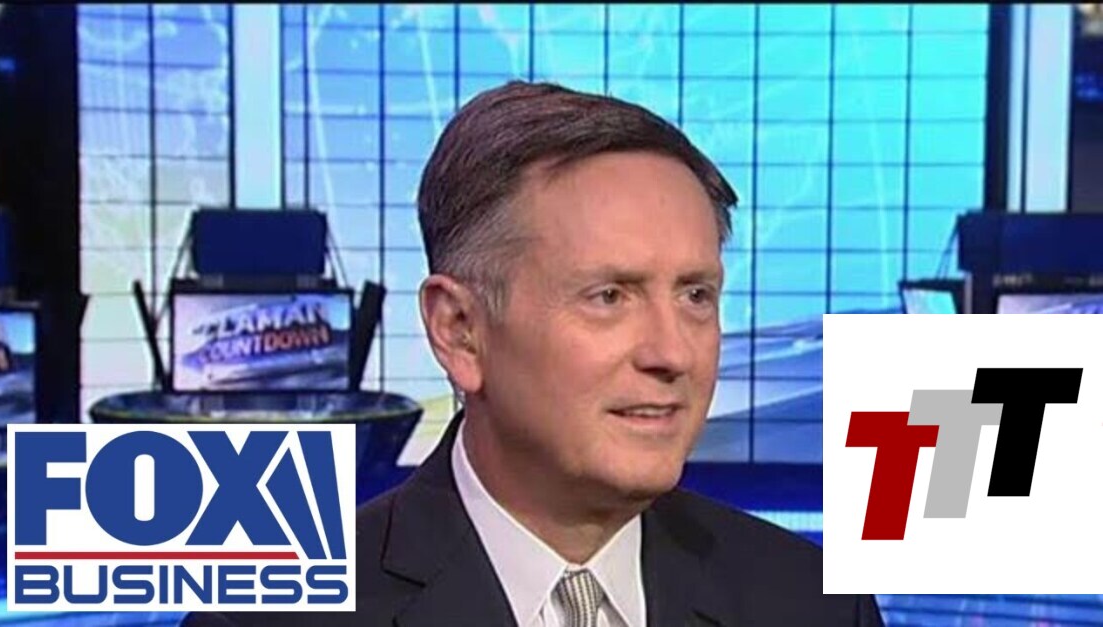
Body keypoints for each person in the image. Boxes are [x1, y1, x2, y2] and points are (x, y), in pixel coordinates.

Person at [185, 81, 883, 626]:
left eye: (695, 295)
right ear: (459, 330)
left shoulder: (812, 603)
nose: (673, 353)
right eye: (609, 296)